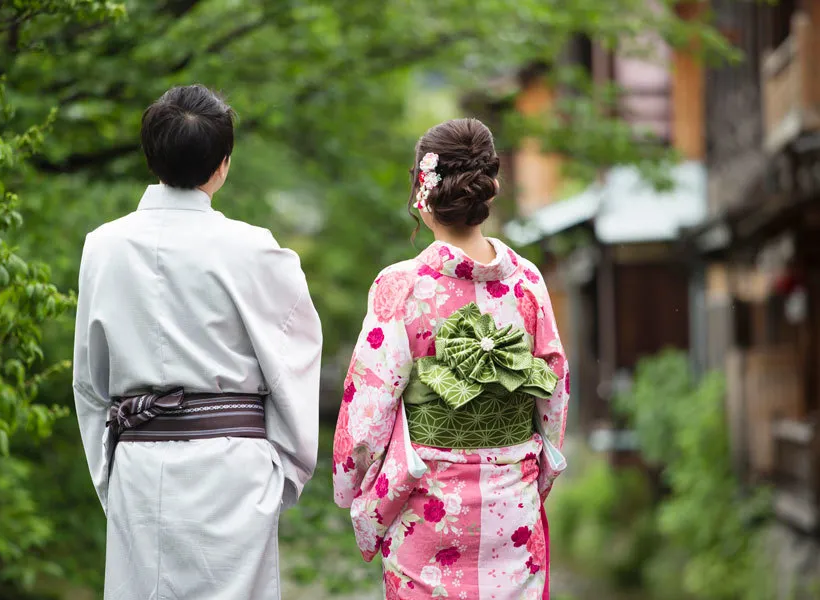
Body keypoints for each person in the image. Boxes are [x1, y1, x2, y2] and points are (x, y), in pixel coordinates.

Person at [73, 84, 322, 600]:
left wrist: (110, 474)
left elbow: (91, 383)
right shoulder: (255, 250)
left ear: (150, 155)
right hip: (234, 471)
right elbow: (295, 364)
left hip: (139, 466)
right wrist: (285, 471)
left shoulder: (103, 247)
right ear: (223, 163)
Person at [332, 118, 570, 599]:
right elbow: (554, 396)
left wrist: (354, 488)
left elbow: (366, 417)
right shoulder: (526, 283)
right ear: (492, 187)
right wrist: (528, 476)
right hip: (513, 508)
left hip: (428, 509)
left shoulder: (401, 285)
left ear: (423, 190)